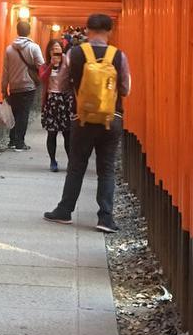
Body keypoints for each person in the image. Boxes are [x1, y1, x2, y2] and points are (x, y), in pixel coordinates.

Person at [43, 13, 131, 233]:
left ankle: (65, 210)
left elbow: (62, 83)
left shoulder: (74, 53)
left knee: (77, 165)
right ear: (110, 32)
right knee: (107, 168)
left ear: (88, 30)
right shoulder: (119, 56)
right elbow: (126, 89)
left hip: (81, 119)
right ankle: (105, 218)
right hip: (112, 119)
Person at [1, 20, 45, 151]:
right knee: (23, 113)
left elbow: (5, 71)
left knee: (14, 112)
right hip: (28, 85)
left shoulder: (9, 49)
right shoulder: (33, 47)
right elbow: (41, 66)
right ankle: (20, 142)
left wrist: (3, 88)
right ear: (29, 32)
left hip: (14, 86)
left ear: (17, 31)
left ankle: (12, 140)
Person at [38, 39, 74, 172]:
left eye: (58, 48)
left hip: (65, 100)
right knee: (51, 133)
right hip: (51, 100)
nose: (56, 51)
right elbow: (42, 78)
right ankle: (53, 160)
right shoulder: (44, 65)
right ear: (49, 51)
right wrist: (50, 66)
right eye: (53, 49)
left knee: (67, 134)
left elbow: (73, 75)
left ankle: (71, 161)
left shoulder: (67, 62)